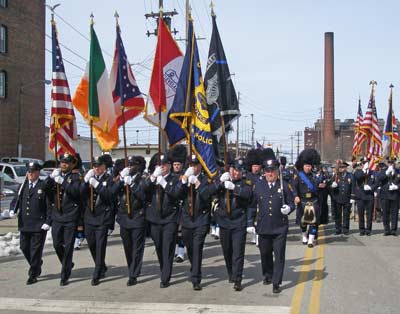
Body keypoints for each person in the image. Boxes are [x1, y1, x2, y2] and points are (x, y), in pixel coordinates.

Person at [143, 153, 184, 288]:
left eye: (164, 165)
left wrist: (164, 184)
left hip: (170, 219)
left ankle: (165, 276)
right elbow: (143, 190)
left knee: (167, 247)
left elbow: (177, 193)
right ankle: (164, 268)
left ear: (170, 166)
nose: (162, 167)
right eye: (159, 165)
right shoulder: (152, 179)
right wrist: (154, 177)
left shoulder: (175, 179)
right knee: (159, 247)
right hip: (155, 219)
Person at [253, 158, 295, 293]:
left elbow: (292, 203)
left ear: (278, 172)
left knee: (279, 255)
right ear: (264, 172)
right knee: (265, 253)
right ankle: (268, 274)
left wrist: (289, 208)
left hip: (279, 227)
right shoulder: (258, 186)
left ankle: (276, 282)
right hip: (264, 226)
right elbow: (252, 206)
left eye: (273, 171)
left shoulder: (284, 186)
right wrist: (250, 222)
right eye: (268, 171)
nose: (270, 174)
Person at [180, 154, 218, 291]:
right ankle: (194, 266)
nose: (193, 167)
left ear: (200, 166)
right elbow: (176, 193)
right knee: (190, 248)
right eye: (191, 165)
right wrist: (184, 179)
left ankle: (196, 278)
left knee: (197, 248)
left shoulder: (207, 179)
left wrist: (197, 183)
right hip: (186, 220)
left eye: (195, 165)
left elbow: (207, 195)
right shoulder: (183, 177)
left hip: (201, 219)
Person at [214, 158, 252, 291]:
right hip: (224, 221)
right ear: (230, 169)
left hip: (238, 221)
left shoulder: (245, 182)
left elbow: (248, 194)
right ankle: (231, 273)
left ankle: (238, 278)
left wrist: (234, 188)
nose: (236, 173)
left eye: (239, 171)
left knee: (238, 252)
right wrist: (220, 182)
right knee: (227, 250)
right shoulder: (222, 180)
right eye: (235, 170)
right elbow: (211, 193)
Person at [10, 161, 51, 285]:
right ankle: (37, 263)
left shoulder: (43, 186)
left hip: (39, 224)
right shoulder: (22, 186)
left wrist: (48, 221)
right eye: (29, 172)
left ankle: (33, 274)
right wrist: (12, 210)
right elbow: (15, 200)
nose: (30, 174)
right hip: (25, 224)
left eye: (33, 172)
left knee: (35, 251)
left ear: (38, 172)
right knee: (24, 247)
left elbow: (49, 206)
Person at [80, 155, 116, 286]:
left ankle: (97, 273)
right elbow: (79, 194)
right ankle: (101, 265)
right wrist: (85, 181)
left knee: (100, 246)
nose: (96, 169)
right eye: (94, 166)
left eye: (98, 166)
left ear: (104, 167)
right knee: (92, 245)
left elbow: (109, 196)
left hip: (102, 218)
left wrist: (97, 185)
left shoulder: (109, 179)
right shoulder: (89, 178)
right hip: (89, 218)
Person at [112, 156, 147, 286]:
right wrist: (121, 180)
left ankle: (133, 274)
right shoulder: (123, 178)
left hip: (137, 216)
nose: (130, 167)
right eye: (129, 164)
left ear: (139, 166)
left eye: (133, 165)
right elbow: (112, 193)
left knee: (137, 247)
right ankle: (131, 268)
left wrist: (132, 185)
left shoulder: (143, 179)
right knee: (128, 247)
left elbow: (143, 196)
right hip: (124, 217)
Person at [48, 153, 82, 286]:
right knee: (57, 244)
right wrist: (51, 178)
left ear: (72, 164)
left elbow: (75, 192)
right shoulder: (56, 176)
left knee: (68, 246)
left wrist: (62, 182)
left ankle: (65, 274)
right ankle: (67, 263)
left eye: (67, 162)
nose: (64, 165)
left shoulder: (76, 177)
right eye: (62, 162)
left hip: (70, 216)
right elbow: (45, 189)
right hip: (57, 216)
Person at [293, 149, 323, 248]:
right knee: (303, 222)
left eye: (310, 166)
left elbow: (318, 186)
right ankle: (304, 234)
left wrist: (321, 185)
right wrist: (295, 196)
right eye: (306, 166)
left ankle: (311, 239)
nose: (308, 168)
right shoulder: (298, 176)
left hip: (313, 201)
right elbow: (294, 187)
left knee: (314, 222)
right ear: (303, 166)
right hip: (302, 201)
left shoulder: (314, 176)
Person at [169, 144, 188, 263]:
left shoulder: (185, 176)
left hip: (182, 207)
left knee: (181, 232)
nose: (176, 166)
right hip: (171, 208)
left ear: (182, 165)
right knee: (173, 231)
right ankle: (176, 250)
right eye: (175, 165)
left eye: (178, 165)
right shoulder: (170, 176)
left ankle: (181, 252)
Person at [353, 157, 378, 236]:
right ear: (362, 163)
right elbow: (357, 177)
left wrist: (371, 188)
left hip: (369, 196)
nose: (365, 164)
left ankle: (368, 230)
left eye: (366, 162)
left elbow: (377, 182)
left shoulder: (372, 172)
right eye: (363, 162)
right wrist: (363, 171)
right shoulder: (358, 171)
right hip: (360, 196)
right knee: (360, 214)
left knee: (369, 214)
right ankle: (361, 229)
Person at [330, 160, 353, 235]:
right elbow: (330, 184)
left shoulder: (350, 175)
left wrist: (352, 197)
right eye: (340, 167)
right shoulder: (336, 175)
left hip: (347, 198)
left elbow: (353, 186)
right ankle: (338, 229)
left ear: (346, 168)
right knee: (338, 215)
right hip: (338, 198)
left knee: (346, 215)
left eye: (343, 167)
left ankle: (346, 229)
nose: (341, 169)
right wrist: (332, 186)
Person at [377, 158, 399, 236]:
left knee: (394, 213)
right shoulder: (383, 171)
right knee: (385, 213)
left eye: (392, 162)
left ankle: (393, 229)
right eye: (389, 162)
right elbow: (379, 179)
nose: (391, 164)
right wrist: (386, 172)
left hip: (394, 194)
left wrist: (397, 187)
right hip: (385, 195)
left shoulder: (397, 171)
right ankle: (386, 229)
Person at [245, 149, 262, 244]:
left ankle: (257, 237)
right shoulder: (247, 177)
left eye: (257, 166)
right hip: (250, 203)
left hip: (260, 202)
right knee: (250, 221)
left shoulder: (263, 177)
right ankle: (253, 236)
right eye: (254, 166)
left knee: (259, 221)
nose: (256, 168)